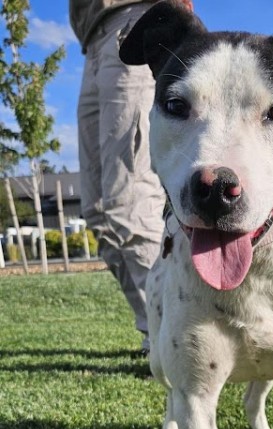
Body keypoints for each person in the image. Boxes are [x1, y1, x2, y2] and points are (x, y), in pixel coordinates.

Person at [69, 0, 194, 353]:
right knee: (98, 213)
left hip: (135, 20)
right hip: (92, 39)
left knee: (130, 203)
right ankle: (155, 331)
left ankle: (177, 342)